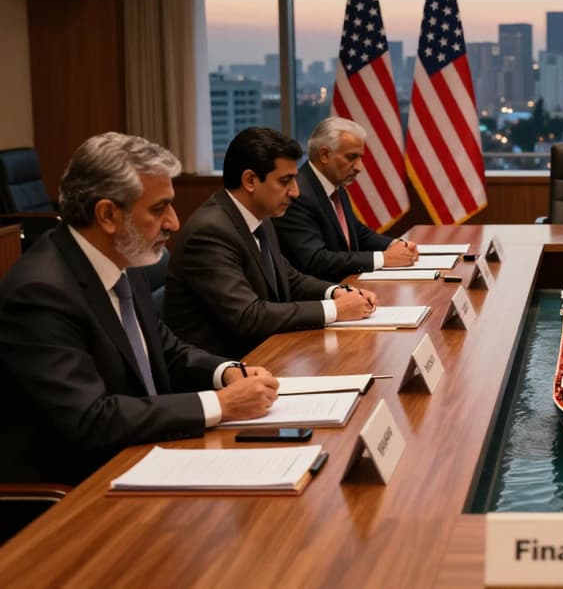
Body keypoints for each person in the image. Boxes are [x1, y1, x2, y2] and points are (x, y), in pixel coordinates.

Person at [0, 133, 278, 484]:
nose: (175, 222)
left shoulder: (124, 261)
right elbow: (92, 418)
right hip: (80, 489)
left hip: (145, 454)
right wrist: (219, 404)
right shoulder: (40, 293)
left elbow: (166, 351)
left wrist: (226, 372)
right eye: (159, 208)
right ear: (107, 215)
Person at [164, 127, 376, 360]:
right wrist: (335, 310)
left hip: (266, 352)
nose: (295, 192)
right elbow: (248, 316)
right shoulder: (210, 233)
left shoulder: (260, 217)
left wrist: (339, 292)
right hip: (228, 369)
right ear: (250, 180)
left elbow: (290, 279)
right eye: (285, 181)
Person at [274, 118, 419, 282]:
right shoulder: (297, 194)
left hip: (349, 286)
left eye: (360, 158)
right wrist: (383, 259)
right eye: (351, 157)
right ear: (324, 155)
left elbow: (357, 233)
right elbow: (315, 260)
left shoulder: (335, 187)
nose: (359, 167)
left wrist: (396, 245)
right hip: (320, 296)